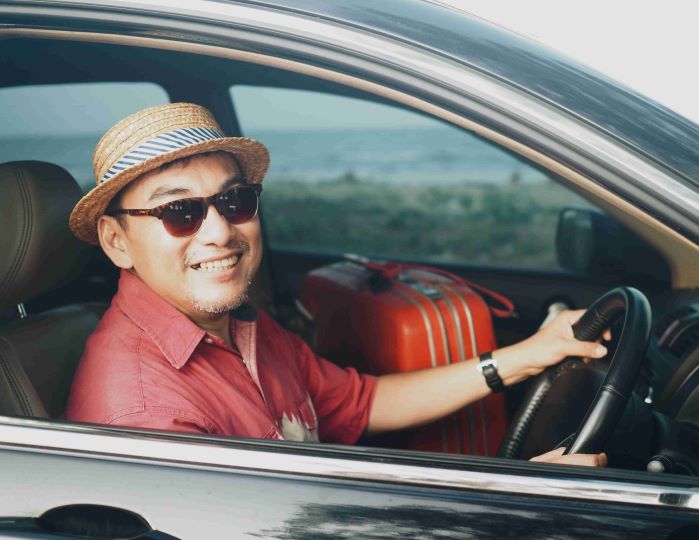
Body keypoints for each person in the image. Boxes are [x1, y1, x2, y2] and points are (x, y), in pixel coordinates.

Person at [65, 103, 608, 467]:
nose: (220, 232)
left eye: (236, 201)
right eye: (180, 211)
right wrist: (523, 507)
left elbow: (360, 403)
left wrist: (529, 355)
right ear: (116, 241)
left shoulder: (236, 323)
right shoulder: (145, 417)